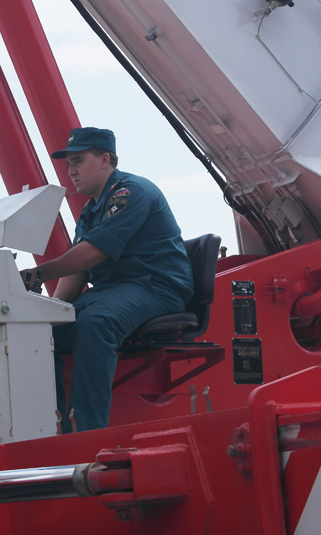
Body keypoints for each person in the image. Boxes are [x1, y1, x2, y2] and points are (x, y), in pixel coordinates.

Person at [20, 127, 192, 432]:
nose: (70, 171)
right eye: (68, 164)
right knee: (42, 333)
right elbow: (78, 270)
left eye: (78, 161)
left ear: (105, 159)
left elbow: (92, 253)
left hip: (156, 286)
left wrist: (39, 273)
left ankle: (86, 430)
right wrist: (52, 310)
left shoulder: (131, 193)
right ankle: (51, 428)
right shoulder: (91, 210)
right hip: (115, 291)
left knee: (97, 322)